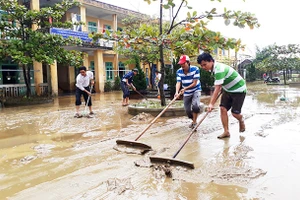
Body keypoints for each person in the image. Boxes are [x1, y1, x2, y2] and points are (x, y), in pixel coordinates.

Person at [197, 52, 246, 139]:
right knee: (223, 109)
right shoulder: (213, 69)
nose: (204, 67)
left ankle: (241, 119)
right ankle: (226, 131)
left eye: (205, 64)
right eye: (202, 66)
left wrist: (211, 104)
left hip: (239, 89)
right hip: (227, 89)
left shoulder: (219, 69)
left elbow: (217, 88)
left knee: (235, 113)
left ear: (211, 61)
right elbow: (220, 84)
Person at [174, 55, 202, 129]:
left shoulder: (195, 69)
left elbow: (194, 83)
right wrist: (177, 92)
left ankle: (194, 123)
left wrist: (185, 88)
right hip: (186, 92)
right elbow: (178, 82)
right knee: (187, 110)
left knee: (195, 106)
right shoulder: (179, 71)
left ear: (188, 62)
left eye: (184, 63)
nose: (182, 65)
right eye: (181, 64)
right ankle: (193, 120)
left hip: (196, 89)